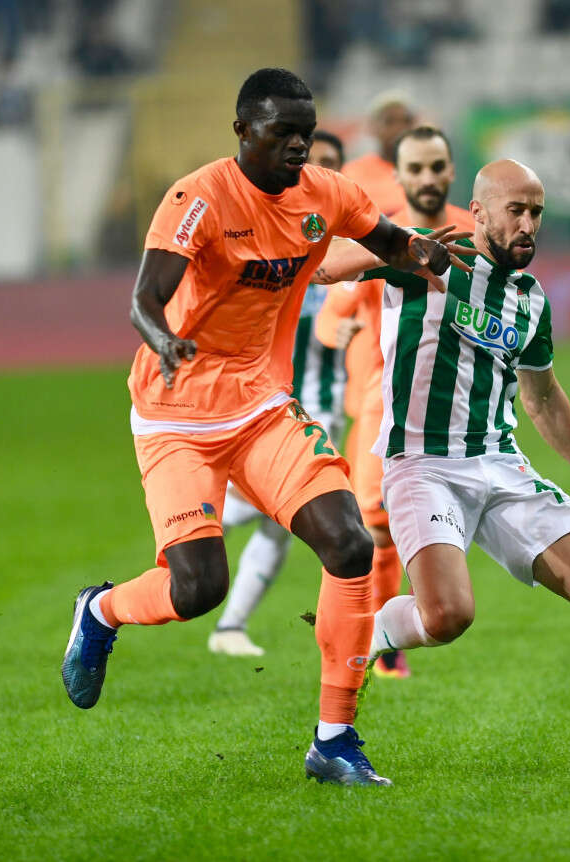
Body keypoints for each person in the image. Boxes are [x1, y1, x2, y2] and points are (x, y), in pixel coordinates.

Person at [60, 68, 463, 788]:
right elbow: (145, 298)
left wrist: (421, 252)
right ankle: (101, 610)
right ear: (243, 131)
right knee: (197, 588)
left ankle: (334, 739)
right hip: (175, 415)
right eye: (283, 134)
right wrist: (163, 338)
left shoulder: (326, 193)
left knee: (348, 543)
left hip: (261, 405)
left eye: (306, 134)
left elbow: (385, 237)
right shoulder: (198, 197)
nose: (298, 147)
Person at [313, 159, 570, 770]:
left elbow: (542, 397)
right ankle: (366, 631)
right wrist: (403, 250)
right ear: (479, 212)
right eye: (515, 211)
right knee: (447, 616)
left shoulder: (530, 299)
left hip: (499, 462)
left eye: (536, 212)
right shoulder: (424, 257)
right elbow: (326, 265)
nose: (528, 225)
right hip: (423, 465)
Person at [315, 125, 474, 678]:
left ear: (451, 170)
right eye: (416, 168)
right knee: (376, 525)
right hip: (383, 400)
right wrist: (337, 327)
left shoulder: (475, 233)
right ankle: (385, 642)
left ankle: (405, 622)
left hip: (456, 406)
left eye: (436, 167)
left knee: (442, 525)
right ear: (398, 175)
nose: (427, 178)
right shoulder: (385, 238)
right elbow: (335, 303)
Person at [207, 130, 355, 658]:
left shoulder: (353, 248)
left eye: (333, 165)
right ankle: (191, 538)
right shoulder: (277, 242)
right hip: (271, 406)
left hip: (326, 408)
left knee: (283, 523)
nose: (319, 174)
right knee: (274, 514)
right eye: (316, 163)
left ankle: (230, 626)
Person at [341, 90, 416, 216]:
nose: (400, 128)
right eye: (390, 121)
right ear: (373, 127)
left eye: (406, 121)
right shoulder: (351, 173)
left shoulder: (428, 171)